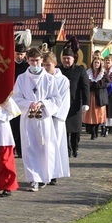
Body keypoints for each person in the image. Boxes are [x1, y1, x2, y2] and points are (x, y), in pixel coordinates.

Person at [12, 48, 61, 192]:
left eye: (38, 60)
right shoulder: (21, 78)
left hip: (43, 118)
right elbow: (16, 97)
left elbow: (56, 99)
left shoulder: (49, 78)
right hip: (28, 118)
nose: (35, 63)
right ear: (28, 60)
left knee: (44, 147)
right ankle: (33, 178)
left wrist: (43, 103)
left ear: (42, 61)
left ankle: (45, 176)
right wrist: (28, 104)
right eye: (32, 60)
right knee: (29, 147)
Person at [42, 52, 70, 185]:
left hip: (55, 118)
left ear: (55, 64)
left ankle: (53, 173)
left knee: (55, 145)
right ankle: (42, 172)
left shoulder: (63, 80)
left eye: (48, 65)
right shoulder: (41, 78)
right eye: (44, 65)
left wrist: (51, 112)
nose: (46, 67)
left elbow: (63, 101)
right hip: (42, 117)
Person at [58, 47, 90, 158]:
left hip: (75, 103)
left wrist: (86, 102)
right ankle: (67, 150)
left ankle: (75, 147)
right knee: (64, 129)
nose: (66, 60)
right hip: (61, 105)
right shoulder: (58, 70)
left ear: (73, 59)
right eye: (64, 58)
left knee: (76, 130)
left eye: (68, 58)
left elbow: (85, 87)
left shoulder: (80, 70)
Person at [82, 57, 109, 140]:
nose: (96, 64)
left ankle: (96, 130)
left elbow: (107, 83)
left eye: (98, 63)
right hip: (91, 95)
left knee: (99, 115)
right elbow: (86, 83)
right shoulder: (88, 72)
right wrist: (93, 85)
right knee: (91, 114)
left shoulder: (103, 73)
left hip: (99, 96)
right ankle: (92, 131)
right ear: (92, 63)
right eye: (95, 62)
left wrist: (97, 85)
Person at [11, 43, 29, 158]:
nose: (19, 57)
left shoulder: (27, 67)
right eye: (18, 54)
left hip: (23, 99)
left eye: (22, 54)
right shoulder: (9, 66)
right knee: (12, 125)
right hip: (11, 99)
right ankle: (12, 148)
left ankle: (21, 149)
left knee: (22, 126)